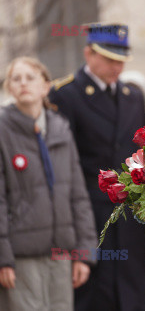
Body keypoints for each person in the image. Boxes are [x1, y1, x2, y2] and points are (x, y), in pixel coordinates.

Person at [49, 24, 145, 311]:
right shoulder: (65, 95)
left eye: (121, 60)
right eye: (109, 58)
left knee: (131, 298)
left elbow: (143, 153)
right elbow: (60, 168)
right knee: (93, 299)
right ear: (88, 53)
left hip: (129, 220)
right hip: (88, 220)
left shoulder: (133, 96)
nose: (117, 66)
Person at [0, 57, 97, 310]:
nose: (23, 84)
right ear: (9, 87)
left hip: (61, 254)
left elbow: (78, 195)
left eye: (30, 78)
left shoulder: (60, 129)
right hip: (21, 256)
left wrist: (83, 253)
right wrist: (3, 259)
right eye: (16, 79)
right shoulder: (3, 130)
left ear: (45, 86)